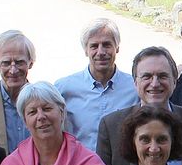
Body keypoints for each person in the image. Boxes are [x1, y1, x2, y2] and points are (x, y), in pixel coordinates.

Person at [97, 46, 182, 165]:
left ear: (174, 81)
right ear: (135, 82)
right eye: (147, 76)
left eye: (162, 76)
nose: (155, 83)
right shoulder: (111, 126)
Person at [55, 18, 139, 151]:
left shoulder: (135, 87)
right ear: (85, 50)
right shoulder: (63, 89)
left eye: (107, 45)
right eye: (94, 46)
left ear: (117, 48)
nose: (100, 52)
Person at [0, 30, 36, 153]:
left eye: (20, 62)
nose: (13, 70)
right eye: (6, 63)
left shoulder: (44, 102)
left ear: (30, 63)